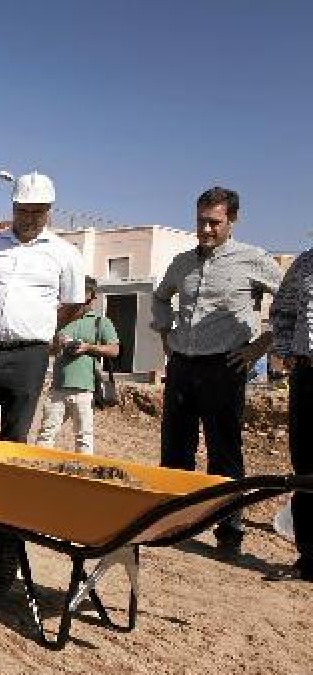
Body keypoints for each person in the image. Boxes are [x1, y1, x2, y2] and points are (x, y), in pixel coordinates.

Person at [152, 186, 282, 554]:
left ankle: (229, 530)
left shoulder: (254, 260)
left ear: (233, 221)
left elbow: (287, 301)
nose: (206, 229)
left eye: (214, 222)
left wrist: (260, 344)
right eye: (200, 221)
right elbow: (161, 297)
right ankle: (170, 523)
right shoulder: (181, 263)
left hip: (223, 366)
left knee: (223, 449)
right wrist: (165, 332)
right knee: (176, 445)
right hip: (181, 364)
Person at [0, 171, 86, 447]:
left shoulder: (66, 253)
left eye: (37, 212)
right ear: (13, 207)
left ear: (49, 211)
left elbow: (75, 303)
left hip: (28, 357)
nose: (29, 218)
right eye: (22, 210)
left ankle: (3, 492)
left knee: (14, 437)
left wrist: (42, 327)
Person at [34, 275, 120, 455]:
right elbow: (48, 350)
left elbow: (114, 350)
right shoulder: (62, 319)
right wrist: (58, 343)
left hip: (85, 389)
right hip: (58, 388)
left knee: (84, 438)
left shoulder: (100, 322)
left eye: (83, 292)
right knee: (45, 435)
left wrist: (87, 347)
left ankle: (82, 478)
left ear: (92, 295)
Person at [270, 246, 313, 581]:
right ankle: (309, 559)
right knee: (306, 467)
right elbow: (282, 312)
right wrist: (285, 353)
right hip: (307, 373)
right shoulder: (304, 263)